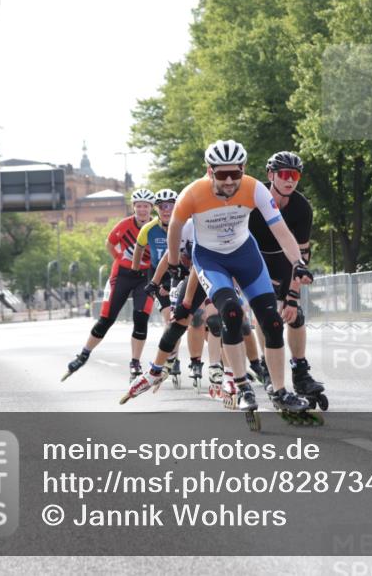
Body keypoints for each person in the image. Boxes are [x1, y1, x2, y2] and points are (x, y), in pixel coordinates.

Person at [122, 140, 315, 419]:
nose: (228, 180)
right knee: (231, 312)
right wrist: (175, 264)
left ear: (243, 170)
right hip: (210, 259)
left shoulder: (254, 188)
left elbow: (282, 231)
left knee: (271, 321)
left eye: (234, 174)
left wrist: (298, 263)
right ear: (208, 170)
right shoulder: (193, 194)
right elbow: (174, 229)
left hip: (245, 254)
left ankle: (280, 391)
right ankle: (241, 385)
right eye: (220, 174)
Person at [248, 151, 325, 407]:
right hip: (255, 259)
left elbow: (302, 255)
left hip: (285, 259)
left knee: (296, 314)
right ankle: (269, 368)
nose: (290, 180)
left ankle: (300, 370)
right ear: (271, 175)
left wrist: (292, 296)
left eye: (295, 175)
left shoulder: (302, 207)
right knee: (267, 313)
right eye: (284, 175)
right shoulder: (254, 202)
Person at [61, 189, 156, 382]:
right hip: (122, 274)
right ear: (134, 207)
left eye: (146, 206)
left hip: (145, 276)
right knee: (107, 319)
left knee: (140, 318)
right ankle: (84, 354)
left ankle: (135, 363)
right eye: (139, 206)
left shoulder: (157, 227)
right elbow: (109, 243)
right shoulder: (124, 224)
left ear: (151, 208)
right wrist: (120, 258)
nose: (142, 210)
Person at [135, 188, 183, 381]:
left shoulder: (183, 225)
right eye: (162, 207)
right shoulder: (149, 228)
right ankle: (172, 357)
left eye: (170, 206)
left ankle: (173, 355)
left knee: (178, 318)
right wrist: (135, 269)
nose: (166, 210)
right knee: (168, 318)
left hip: (179, 274)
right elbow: (139, 248)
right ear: (157, 209)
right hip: (158, 275)